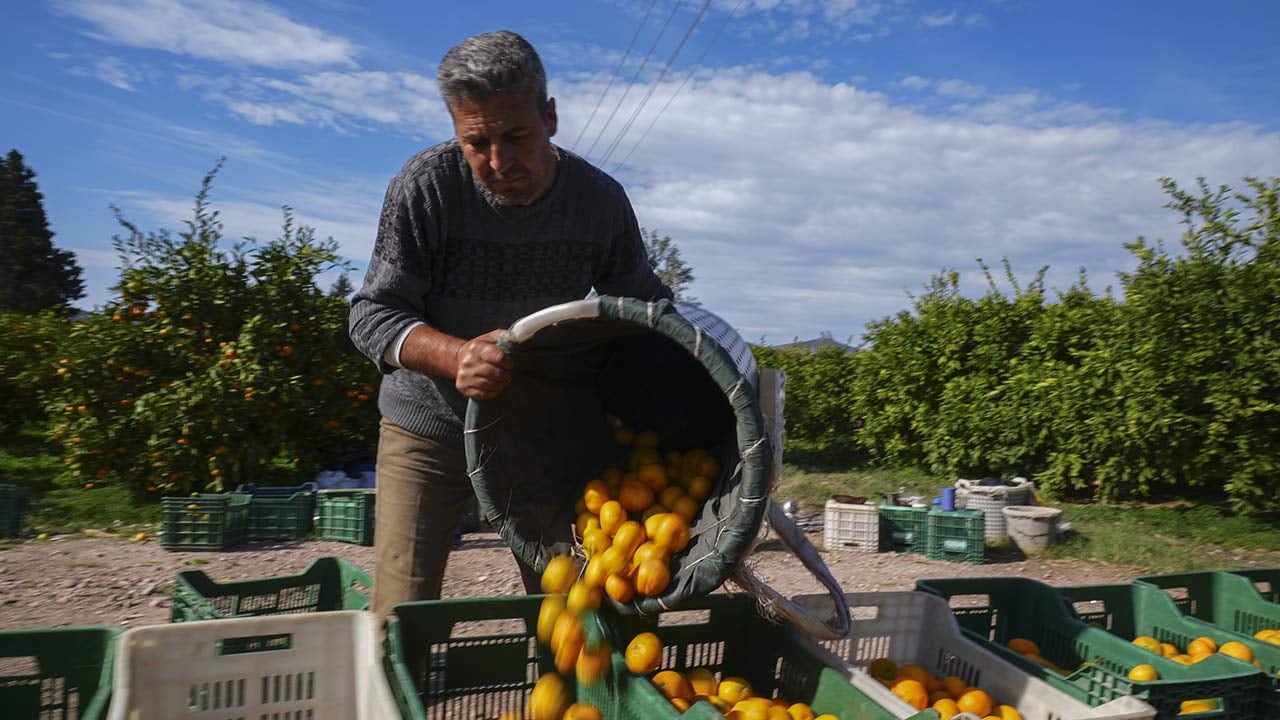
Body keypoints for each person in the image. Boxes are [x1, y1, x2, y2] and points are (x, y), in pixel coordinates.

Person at [348, 30, 673, 616]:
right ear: (456, 130)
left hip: (543, 431)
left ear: (550, 117)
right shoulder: (427, 188)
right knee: (399, 617)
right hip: (429, 426)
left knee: (573, 610)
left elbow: (647, 310)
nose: (498, 162)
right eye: (478, 143)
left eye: (516, 137)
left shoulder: (598, 202)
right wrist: (455, 357)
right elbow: (372, 313)